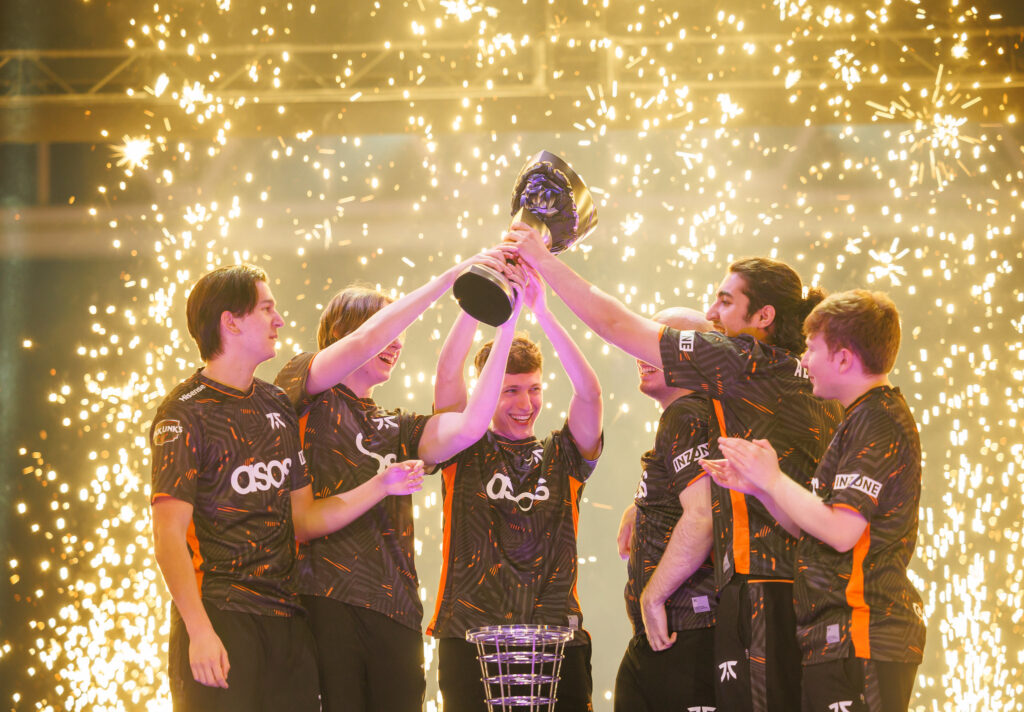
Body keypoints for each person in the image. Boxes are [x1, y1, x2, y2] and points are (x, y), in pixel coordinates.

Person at [505, 227, 843, 711]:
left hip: (744, 603)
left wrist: (541, 258)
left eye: (724, 302)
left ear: (763, 316)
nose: (711, 314)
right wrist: (648, 506)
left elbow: (615, 324)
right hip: (811, 597)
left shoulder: (736, 362)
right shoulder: (807, 378)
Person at [150, 264, 422, 711]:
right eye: (266, 309)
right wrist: (199, 631)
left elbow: (305, 518)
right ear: (230, 322)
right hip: (222, 615)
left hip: (289, 624)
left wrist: (381, 485)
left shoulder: (276, 404)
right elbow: (167, 537)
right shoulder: (183, 413)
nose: (279, 320)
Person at [273, 251, 524, 712]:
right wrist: (452, 277)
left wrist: (502, 318)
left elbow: (469, 426)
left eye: (400, 334)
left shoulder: (399, 427)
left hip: (398, 611)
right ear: (340, 335)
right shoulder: (305, 385)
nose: (397, 341)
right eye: (390, 328)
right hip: (325, 599)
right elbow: (369, 337)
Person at [704, 290, 926, 712]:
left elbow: (842, 534)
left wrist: (773, 477)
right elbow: (815, 530)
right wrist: (759, 488)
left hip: (863, 631)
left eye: (811, 348)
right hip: (835, 637)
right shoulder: (856, 419)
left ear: (843, 359)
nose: (803, 360)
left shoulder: (878, 420)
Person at [426, 267, 603, 712]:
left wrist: (542, 313)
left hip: (557, 638)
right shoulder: (461, 447)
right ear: (487, 390)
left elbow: (591, 395)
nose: (526, 405)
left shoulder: (563, 455)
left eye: (534, 389)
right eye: (510, 391)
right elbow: (448, 373)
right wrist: (490, 308)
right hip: (470, 636)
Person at [613, 307, 718, 711]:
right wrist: (640, 506)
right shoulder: (693, 416)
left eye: (661, 342)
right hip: (673, 634)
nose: (644, 352)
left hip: (684, 632)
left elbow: (702, 515)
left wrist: (653, 598)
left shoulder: (686, 414)